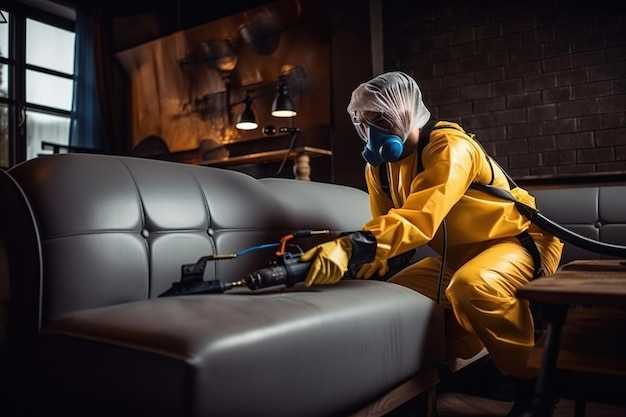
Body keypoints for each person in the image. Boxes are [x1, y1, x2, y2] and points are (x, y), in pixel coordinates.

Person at [299, 71, 563, 417]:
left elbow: (416, 220)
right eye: (364, 120)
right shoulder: (379, 169)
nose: (372, 128)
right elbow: (386, 230)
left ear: (407, 113)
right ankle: (451, 375)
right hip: (460, 256)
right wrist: (351, 267)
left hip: (517, 243)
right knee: (392, 299)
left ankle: (535, 388)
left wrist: (349, 248)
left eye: (380, 118)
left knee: (473, 287)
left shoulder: (449, 147)